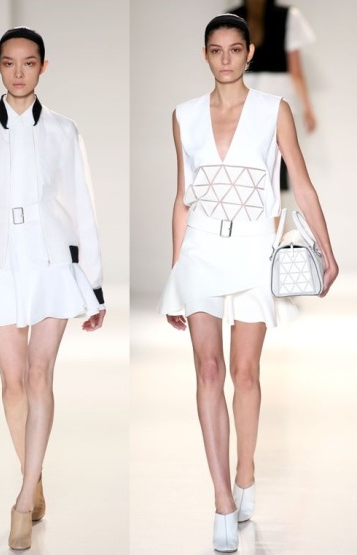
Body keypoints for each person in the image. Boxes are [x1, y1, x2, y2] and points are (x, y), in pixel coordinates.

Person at [158, 14, 337, 553]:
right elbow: (182, 196)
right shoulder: (184, 116)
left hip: (255, 248)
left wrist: (327, 251)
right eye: (216, 50)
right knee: (209, 370)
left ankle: (245, 471)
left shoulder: (273, 110)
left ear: (250, 53)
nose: (226, 59)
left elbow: (300, 183)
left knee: (245, 373)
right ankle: (221, 500)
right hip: (200, 250)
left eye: (235, 49)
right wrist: (176, 273)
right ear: (205, 55)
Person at [0, 27, 106, 551]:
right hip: (0, 266)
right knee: (12, 384)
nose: (18, 72)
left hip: (53, 263)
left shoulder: (63, 130)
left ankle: (21, 501)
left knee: (39, 376)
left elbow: (82, 205)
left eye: (28, 62)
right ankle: (33, 478)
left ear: (43, 67)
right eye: (9, 63)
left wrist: (94, 285)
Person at [231, 0, 316, 198]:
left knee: (246, 166)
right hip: (278, 97)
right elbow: (295, 70)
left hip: (243, 96)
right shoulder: (289, 16)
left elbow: (228, 66)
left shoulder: (233, 17)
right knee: (277, 169)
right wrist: (307, 108)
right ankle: (274, 217)